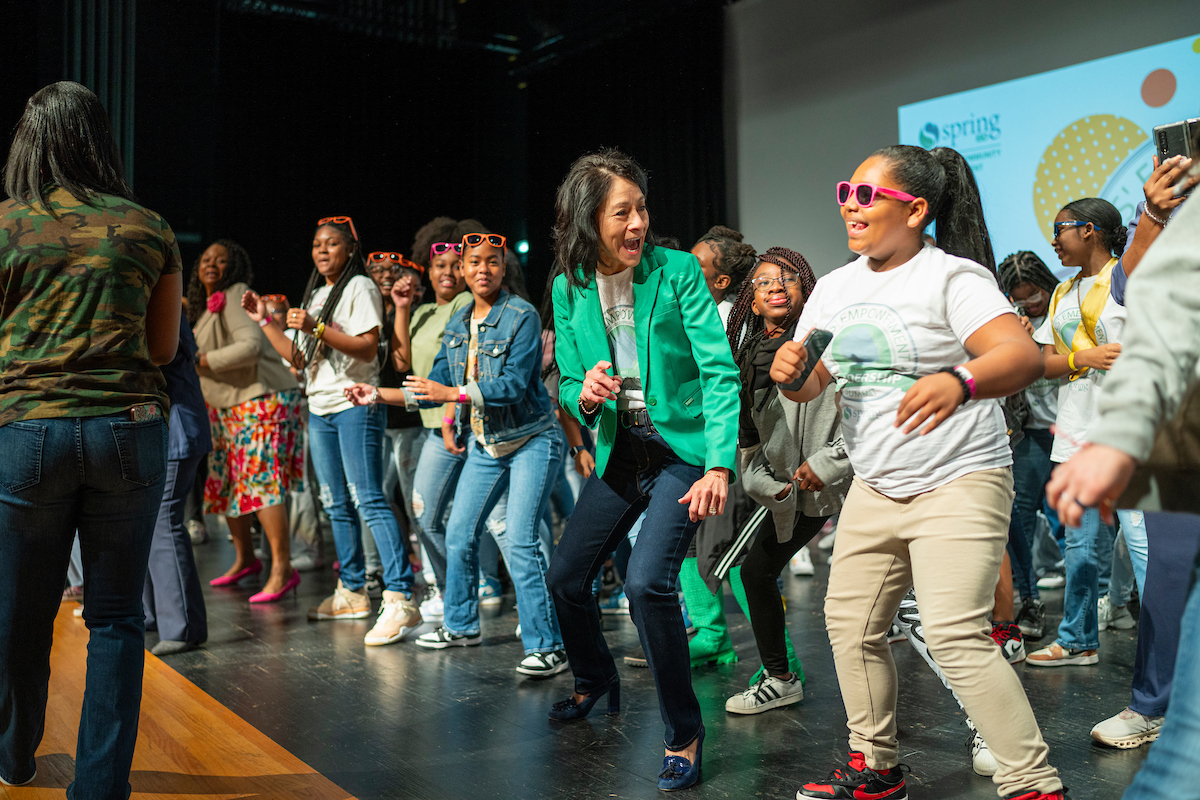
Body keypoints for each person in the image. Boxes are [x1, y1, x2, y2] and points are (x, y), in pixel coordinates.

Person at [771, 144, 1063, 800]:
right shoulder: (835, 289)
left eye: (868, 195)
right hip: (876, 485)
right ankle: (875, 767)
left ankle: (1035, 785)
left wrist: (960, 382)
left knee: (956, 631)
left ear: (917, 209)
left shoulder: (951, 278)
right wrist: (792, 376)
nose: (851, 203)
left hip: (960, 477)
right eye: (848, 190)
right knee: (850, 624)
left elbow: (1017, 354)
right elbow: (813, 380)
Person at [0, 81, 182, 794]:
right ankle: (101, 787)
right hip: (129, 431)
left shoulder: (7, 227)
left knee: (19, 615)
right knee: (113, 619)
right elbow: (163, 348)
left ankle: (14, 758)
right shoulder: (148, 227)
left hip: (27, 435)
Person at [546, 148, 741, 791]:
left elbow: (718, 371)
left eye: (642, 210)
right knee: (567, 578)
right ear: (587, 219)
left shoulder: (678, 271)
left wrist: (719, 465)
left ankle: (683, 730)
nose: (638, 224)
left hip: (683, 453)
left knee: (648, 584)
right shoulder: (567, 284)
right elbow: (570, 376)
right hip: (621, 451)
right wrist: (585, 392)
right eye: (622, 212)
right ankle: (595, 678)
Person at [1044, 187, 1200, 800]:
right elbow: (1146, 311)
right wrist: (1159, 215)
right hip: (1172, 448)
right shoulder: (1165, 243)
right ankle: (1153, 702)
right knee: (1165, 576)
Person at [375, 232, 566, 675]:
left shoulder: (520, 316)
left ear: (503, 268)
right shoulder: (459, 322)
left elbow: (513, 386)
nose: (483, 269)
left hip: (532, 439)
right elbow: (432, 386)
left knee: (520, 539)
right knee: (460, 534)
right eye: (474, 262)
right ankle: (461, 626)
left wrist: (452, 394)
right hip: (487, 444)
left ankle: (548, 645)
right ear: (461, 269)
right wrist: (377, 395)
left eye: (492, 262)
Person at [243, 216, 420, 646]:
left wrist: (317, 327)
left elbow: (367, 346)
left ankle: (400, 597)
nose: (322, 251)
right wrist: (265, 321)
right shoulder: (319, 293)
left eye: (332, 244)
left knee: (368, 498)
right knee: (334, 503)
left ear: (350, 249)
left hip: (354, 403)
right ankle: (353, 591)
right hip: (320, 407)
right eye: (317, 244)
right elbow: (299, 359)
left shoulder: (359, 287)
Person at [721, 247, 851, 715]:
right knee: (754, 571)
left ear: (807, 290)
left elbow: (865, 419)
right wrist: (761, 485)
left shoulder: (826, 344)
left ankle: (979, 716)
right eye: (764, 282)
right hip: (798, 495)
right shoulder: (750, 359)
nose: (776, 286)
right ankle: (780, 678)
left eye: (789, 279)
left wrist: (828, 464)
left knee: (895, 603)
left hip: (857, 489)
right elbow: (750, 446)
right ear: (751, 303)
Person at [1025, 197, 1147, 668]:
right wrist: (1082, 359)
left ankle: (1168, 651)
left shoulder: (1126, 278)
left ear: (1091, 230)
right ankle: (1077, 639)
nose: (1054, 240)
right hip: (1074, 431)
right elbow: (1041, 362)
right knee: (1078, 546)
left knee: (1142, 546)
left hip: (1125, 431)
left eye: (1062, 229)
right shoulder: (1061, 293)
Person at [190, 239, 304, 602]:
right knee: (226, 483)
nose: (212, 264)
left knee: (262, 482)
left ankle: (282, 569)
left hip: (260, 399)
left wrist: (203, 360)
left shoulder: (236, 293)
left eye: (222, 260)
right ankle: (245, 560)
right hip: (227, 407)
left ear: (234, 268)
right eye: (207, 258)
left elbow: (251, 346)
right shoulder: (206, 308)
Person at [996, 251, 1062, 639]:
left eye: (1035, 294)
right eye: (1021, 298)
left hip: (1073, 428)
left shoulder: (1066, 309)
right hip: (1029, 431)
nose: (1030, 303)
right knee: (1017, 517)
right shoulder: (1006, 321)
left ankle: (1111, 597)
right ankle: (1030, 602)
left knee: (1088, 522)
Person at [143, 315, 212, 655]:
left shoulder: (162, 307)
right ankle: (151, 614)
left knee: (163, 522)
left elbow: (161, 357)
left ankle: (183, 627)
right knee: (146, 522)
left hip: (177, 427)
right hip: (166, 428)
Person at [689, 225, 757, 326]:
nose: (686, 267)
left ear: (721, 282)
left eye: (697, 264)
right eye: (688, 260)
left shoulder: (726, 323)